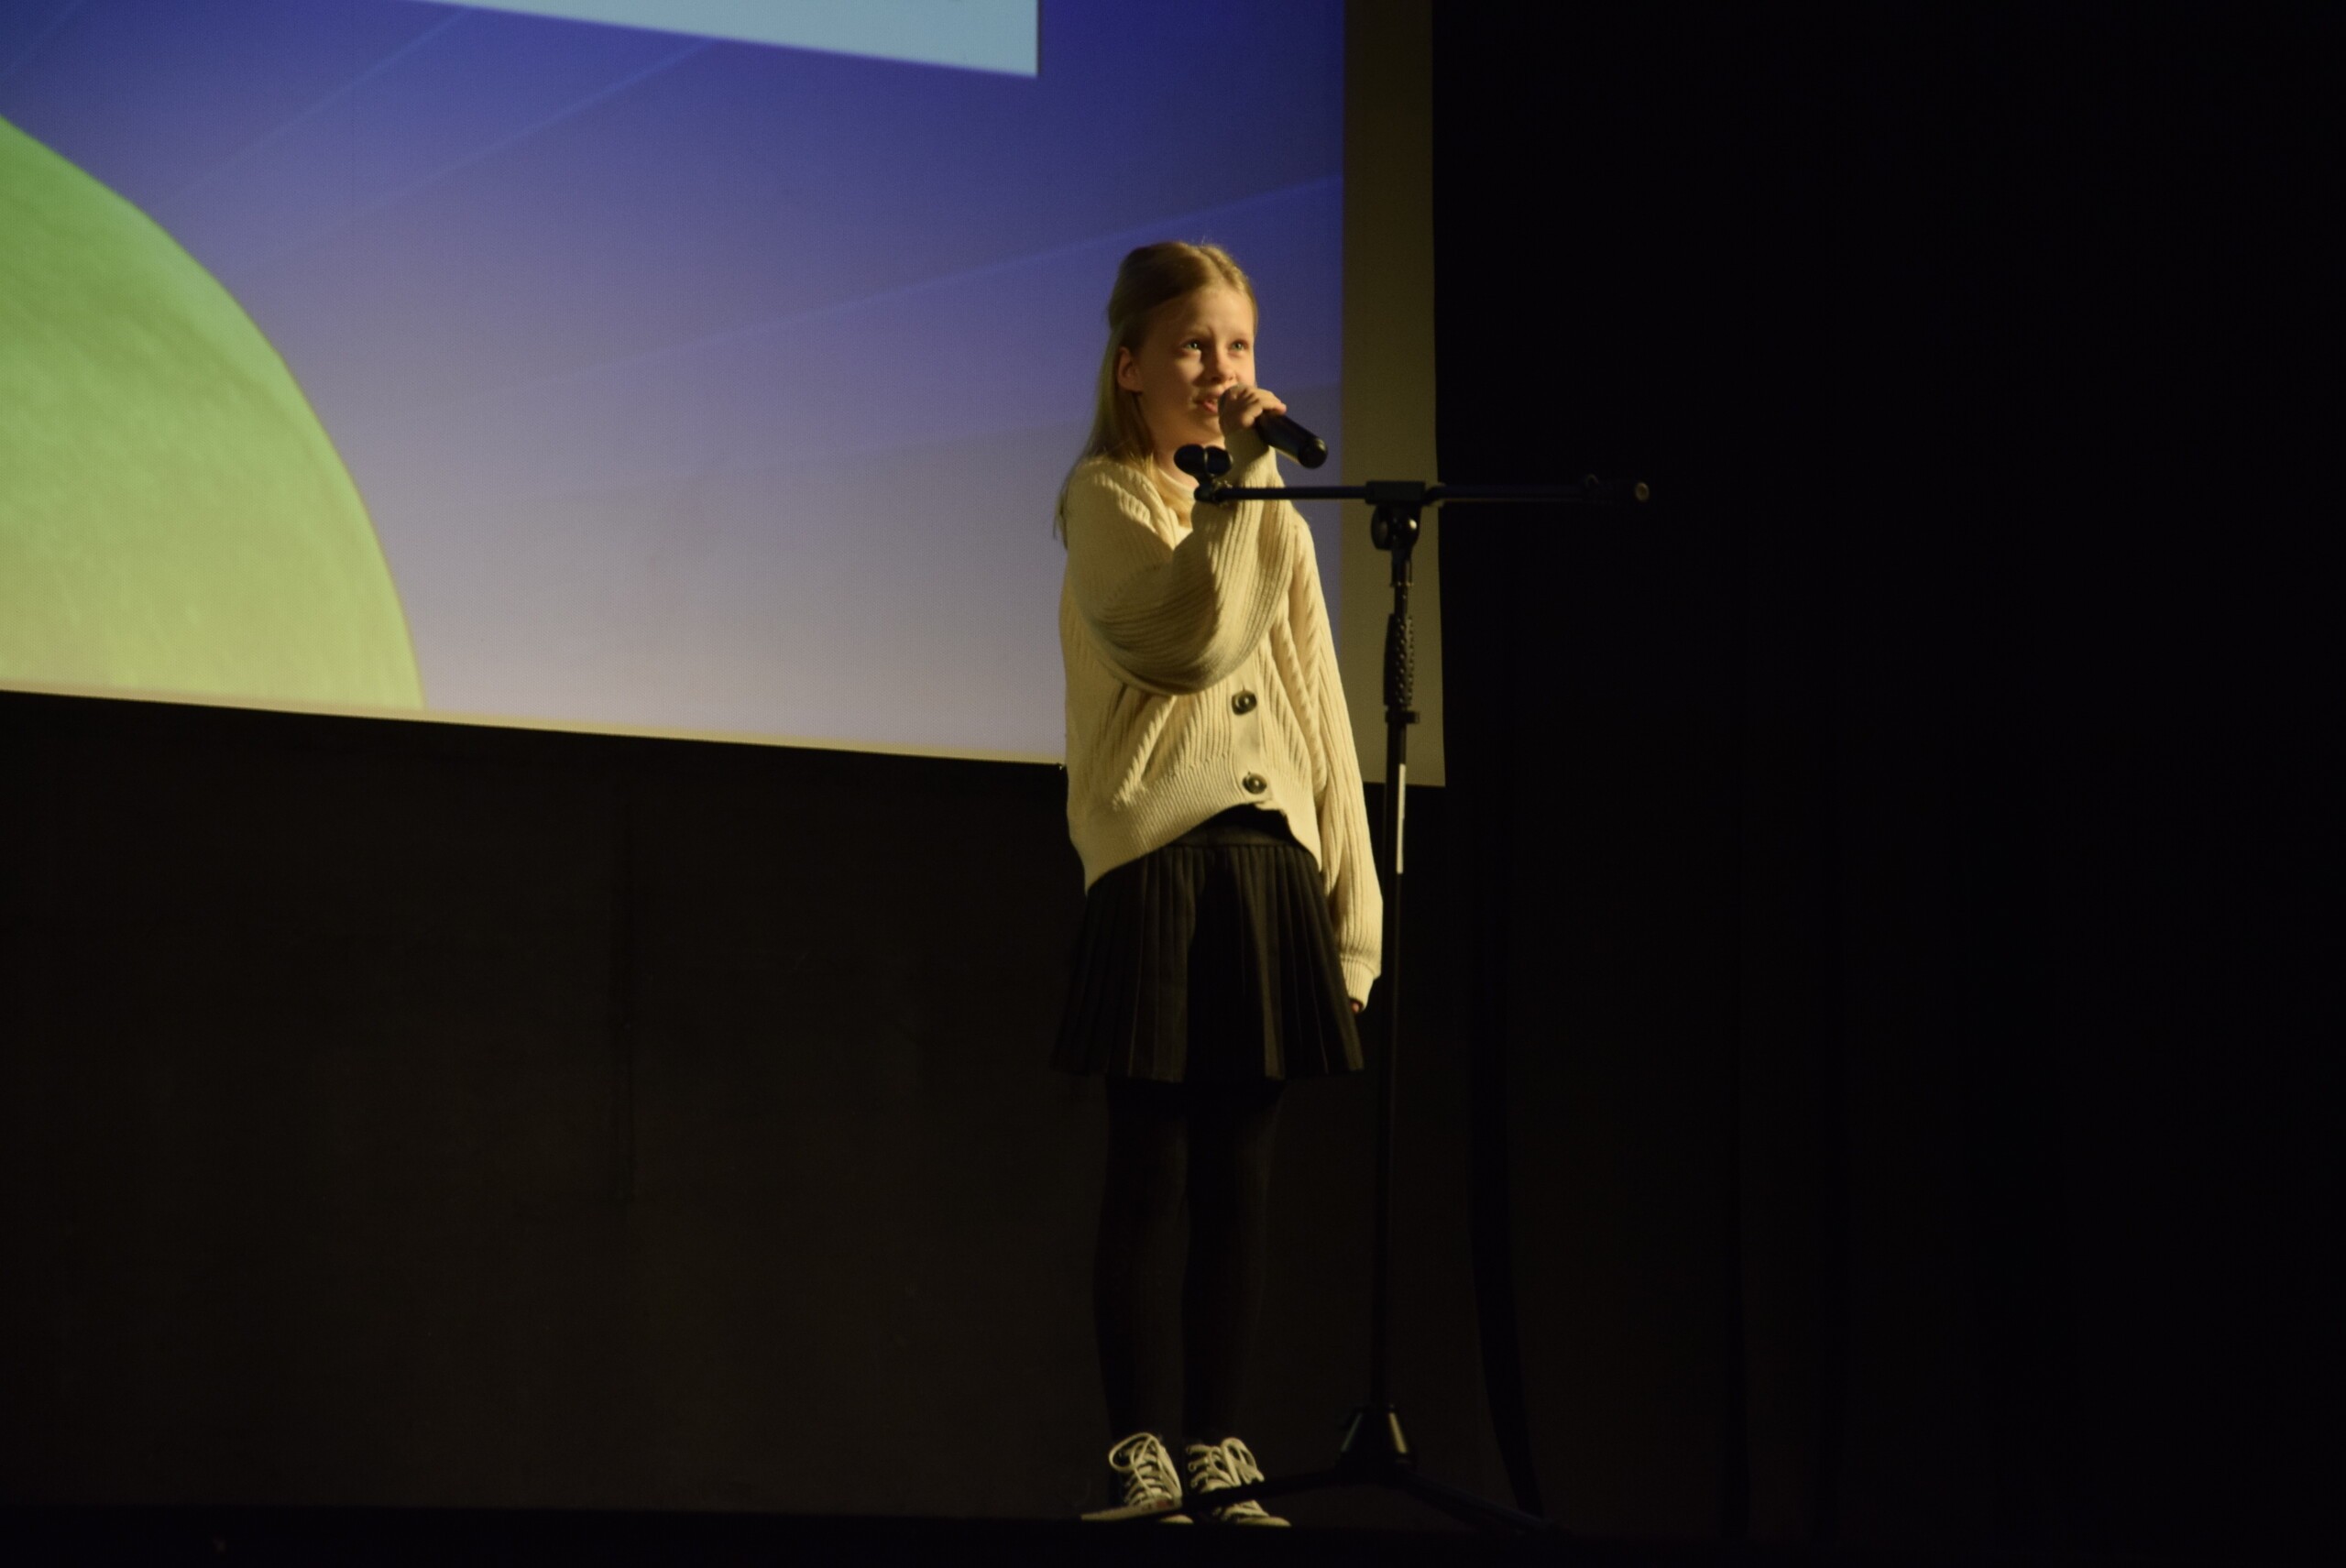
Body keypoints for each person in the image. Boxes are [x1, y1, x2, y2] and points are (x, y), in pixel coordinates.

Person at [1051, 241, 1381, 1526]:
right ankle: (1139, 1449)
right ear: (1131, 367)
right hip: (1160, 867)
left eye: (1238, 346)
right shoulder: (1108, 500)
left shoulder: (1266, 508)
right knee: (1153, 1166)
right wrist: (1241, 481)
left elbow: (1320, 717)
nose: (1221, 371)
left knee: (1242, 1179)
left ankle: (1217, 1445)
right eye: (1194, 345)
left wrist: (1353, 928)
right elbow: (1193, 640)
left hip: (1269, 868)